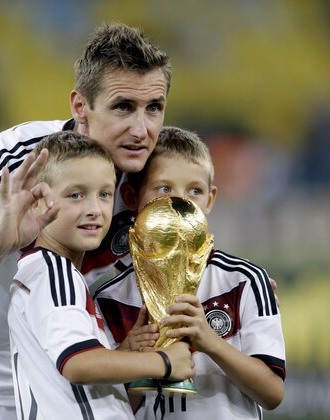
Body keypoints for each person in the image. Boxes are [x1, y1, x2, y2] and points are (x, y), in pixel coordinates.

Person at [0, 22, 171, 419]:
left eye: (154, 108)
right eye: (123, 107)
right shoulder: (15, 160)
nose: (141, 130)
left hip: (67, 376)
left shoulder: (160, 181)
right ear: (80, 108)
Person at [94, 126, 286, 419]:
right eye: (164, 189)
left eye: (194, 191)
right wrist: (134, 358)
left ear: (210, 199)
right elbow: (112, 409)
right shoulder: (109, 299)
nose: (180, 202)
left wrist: (210, 342)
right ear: (132, 197)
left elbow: (272, 394)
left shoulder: (246, 280)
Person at [8, 132, 195, 419]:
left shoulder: (52, 272)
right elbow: (78, 364)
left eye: (104, 194)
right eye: (76, 195)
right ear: (39, 202)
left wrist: (124, 352)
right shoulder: (54, 273)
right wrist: (163, 362)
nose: (95, 209)